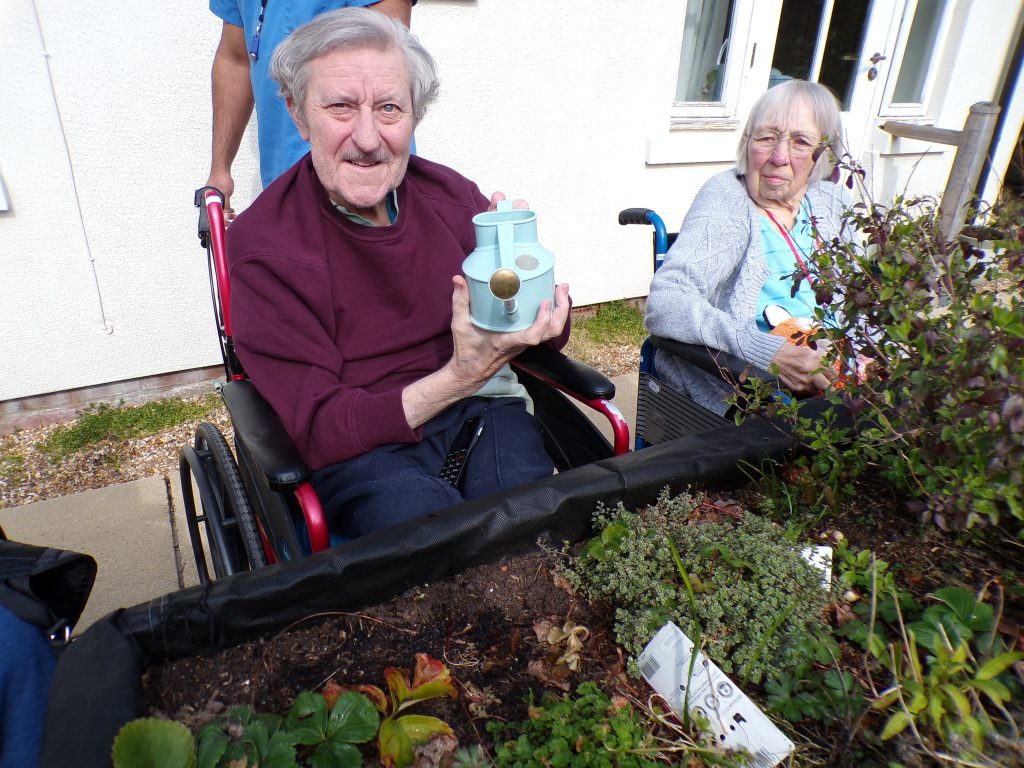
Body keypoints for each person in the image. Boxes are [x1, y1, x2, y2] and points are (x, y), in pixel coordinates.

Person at [226, 8, 571, 540]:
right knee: (433, 550)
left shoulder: (453, 198)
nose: (368, 138)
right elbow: (320, 428)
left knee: (531, 524)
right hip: (360, 447)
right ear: (298, 114)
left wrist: (528, 291)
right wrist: (461, 375)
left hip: (478, 412)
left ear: (414, 116)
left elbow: (534, 334)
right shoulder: (265, 245)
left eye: (389, 109)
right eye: (341, 106)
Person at [645, 79, 850, 415]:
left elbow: (861, 304)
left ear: (823, 154)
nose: (779, 156)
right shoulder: (728, 198)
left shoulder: (833, 201)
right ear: (747, 143)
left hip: (839, 378)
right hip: (751, 393)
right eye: (767, 138)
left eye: (801, 142)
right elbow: (666, 304)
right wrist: (769, 354)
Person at [206, 0, 416, 211]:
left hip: (357, 175)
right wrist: (220, 170)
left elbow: (387, 70)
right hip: (283, 179)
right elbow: (235, 59)